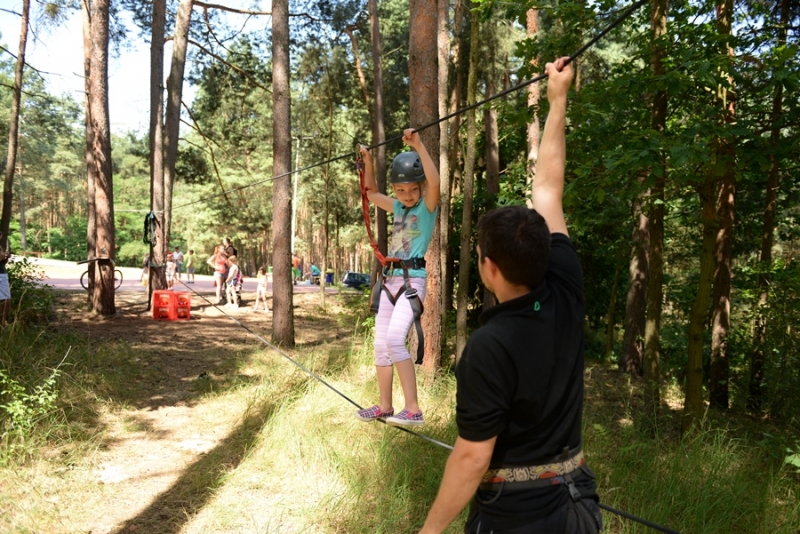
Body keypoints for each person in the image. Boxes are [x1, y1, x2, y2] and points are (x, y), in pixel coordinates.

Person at [419, 58, 601, 534]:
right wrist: (558, 99)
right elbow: (548, 192)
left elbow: (472, 458)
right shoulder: (565, 283)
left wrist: (429, 531)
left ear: (489, 268)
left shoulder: (488, 347)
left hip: (518, 519)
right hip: (579, 507)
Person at [355, 128, 440, 427]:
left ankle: (413, 409)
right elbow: (371, 194)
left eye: (412, 190)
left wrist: (418, 145)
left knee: (395, 339)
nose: (407, 195)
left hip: (412, 281)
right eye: (401, 191)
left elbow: (435, 182)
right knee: (381, 345)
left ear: (420, 188)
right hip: (389, 281)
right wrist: (367, 161)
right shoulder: (396, 207)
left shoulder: (427, 208)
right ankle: (385, 406)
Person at [0, 244, 11, 326]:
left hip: (2, 274)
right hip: (1, 276)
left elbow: (2, 262)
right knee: (5, 299)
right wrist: (2, 255)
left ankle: (2, 322)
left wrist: (5, 258)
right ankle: (2, 322)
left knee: (5, 300)